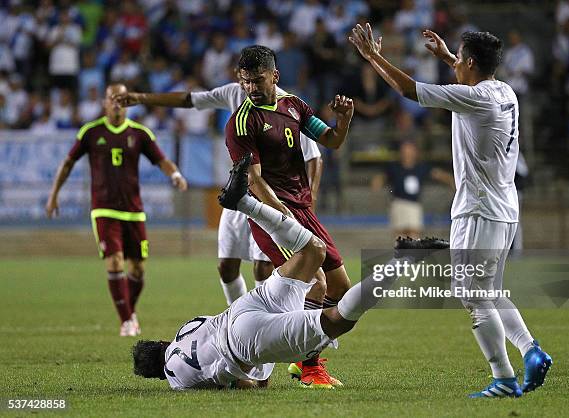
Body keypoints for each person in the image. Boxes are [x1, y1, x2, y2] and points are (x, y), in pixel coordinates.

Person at [349, 23, 552, 397]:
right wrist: (446, 57)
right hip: (505, 208)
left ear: (471, 63)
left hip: (478, 209)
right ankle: (530, 350)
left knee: (471, 294)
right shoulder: (505, 91)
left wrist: (373, 57)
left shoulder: (473, 97)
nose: (454, 62)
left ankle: (504, 377)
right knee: (488, 291)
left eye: (459, 58)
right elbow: (471, 82)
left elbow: (409, 90)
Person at [132, 153, 447, 390]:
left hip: (242, 340)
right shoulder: (185, 329)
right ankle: (246, 204)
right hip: (244, 309)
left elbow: (236, 382)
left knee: (337, 320)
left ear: (157, 373)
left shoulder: (176, 377)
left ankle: (402, 261)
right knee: (314, 251)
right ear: (161, 341)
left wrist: (255, 386)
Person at [112, 80, 323, 307]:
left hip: (272, 199)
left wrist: (308, 202)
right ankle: (238, 319)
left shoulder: (287, 106)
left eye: (253, 76)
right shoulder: (235, 93)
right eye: (243, 76)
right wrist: (141, 98)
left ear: (271, 76)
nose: (247, 83)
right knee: (226, 266)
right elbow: (189, 99)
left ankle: (270, 323)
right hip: (241, 195)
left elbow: (314, 157)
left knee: (264, 267)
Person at [224, 45, 354, 388]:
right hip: (273, 214)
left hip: (302, 209)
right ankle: (309, 366)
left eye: (258, 80)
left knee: (340, 288)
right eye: (246, 81)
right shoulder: (241, 121)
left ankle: (301, 355)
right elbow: (253, 177)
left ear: (274, 76)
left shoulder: (294, 106)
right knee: (316, 284)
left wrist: (344, 120)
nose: (251, 87)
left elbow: (331, 140)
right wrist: (279, 214)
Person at [46, 84, 188, 337]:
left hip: (133, 210)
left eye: (121, 98)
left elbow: (161, 159)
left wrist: (175, 174)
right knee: (115, 262)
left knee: (138, 269)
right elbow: (68, 163)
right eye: (112, 98)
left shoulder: (139, 133)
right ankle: (126, 321)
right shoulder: (91, 132)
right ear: (104, 103)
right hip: (104, 209)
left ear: (128, 103)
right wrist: (54, 194)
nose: (116, 103)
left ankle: (128, 312)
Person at [372, 140, 454, 238]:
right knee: (400, 235)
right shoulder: (394, 167)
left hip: (414, 204)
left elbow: (437, 174)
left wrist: (450, 181)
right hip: (398, 203)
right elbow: (382, 177)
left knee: (414, 233)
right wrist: (377, 183)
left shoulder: (421, 167)